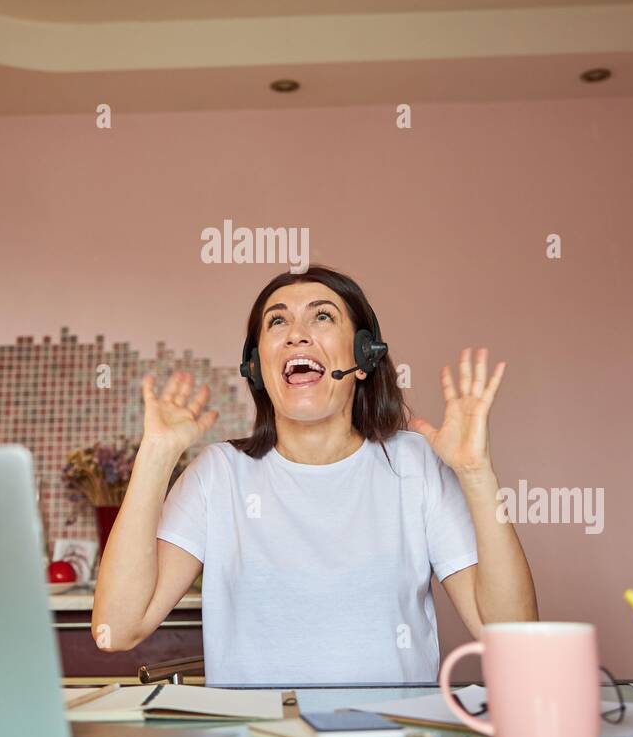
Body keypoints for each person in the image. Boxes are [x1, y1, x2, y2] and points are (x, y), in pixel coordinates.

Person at [92, 265, 537, 685]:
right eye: (277, 323)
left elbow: (514, 642)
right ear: (257, 367)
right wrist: (156, 454)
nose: (297, 335)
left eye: (322, 317)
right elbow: (117, 630)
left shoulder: (414, 465)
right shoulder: (218, 474)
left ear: (363, 357)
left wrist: (476, 474)